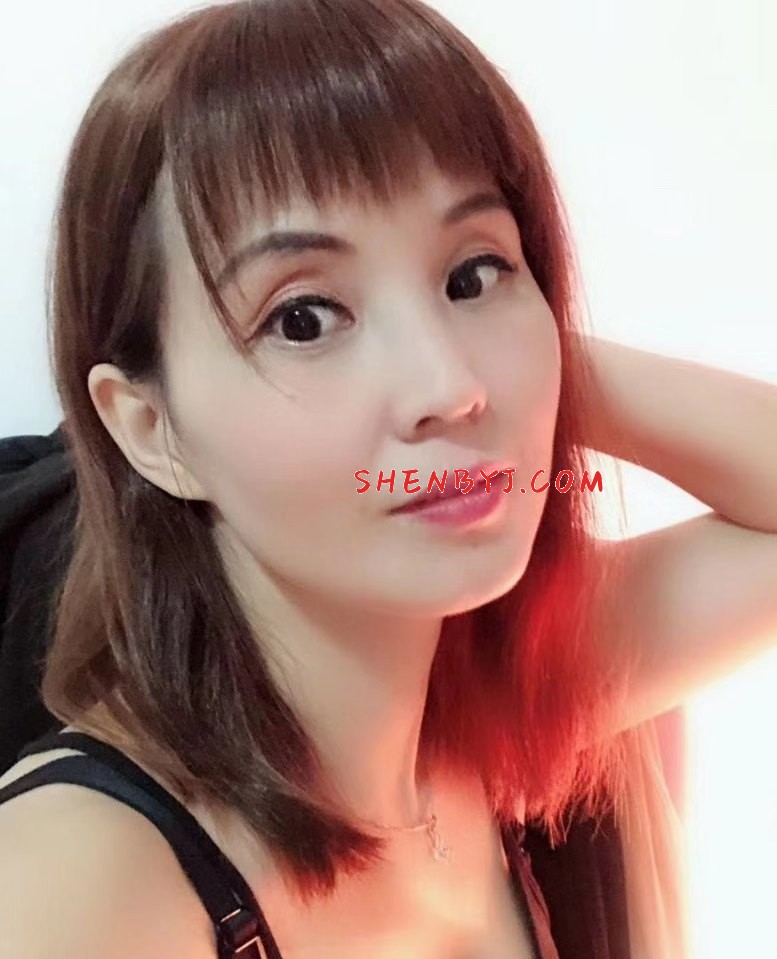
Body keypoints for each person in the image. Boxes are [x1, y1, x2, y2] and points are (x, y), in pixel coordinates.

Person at [0, 1, 690, 957]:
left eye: (474, 273)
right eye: (304, 319)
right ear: (152, 429)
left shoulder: (499, 709)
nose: (447, 386)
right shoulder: (79, 884)